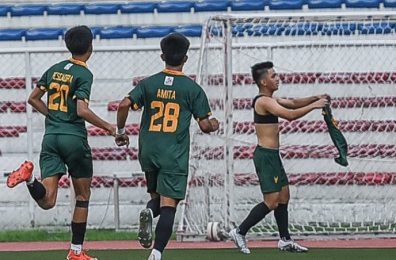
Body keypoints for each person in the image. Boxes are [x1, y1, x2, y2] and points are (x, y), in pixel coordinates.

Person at [6, 25, 116, 260]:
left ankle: (30, 178)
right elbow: (82, 110)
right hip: (73, 139)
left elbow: (33, 99)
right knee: (82, 197)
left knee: (47, 200)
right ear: (90, 47)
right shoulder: (84, 73)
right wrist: (109, 127)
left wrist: (54, 117)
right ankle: (76, 252)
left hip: (51, 139)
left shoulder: (54, 69)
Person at [115, 33, 219, 260]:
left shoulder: (147, 84)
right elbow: (204, 125)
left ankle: (149, 212)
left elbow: (123, 105)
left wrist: (121, 132)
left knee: (157, 200)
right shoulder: (192, 89)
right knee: (170, 205)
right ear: (186, 58)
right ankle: (156, 253)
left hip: (149, 151)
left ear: (162, 56)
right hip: (173, 154)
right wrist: (214, 124)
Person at [229, 61, 329, 254]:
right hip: (266, 156)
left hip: (273, 155)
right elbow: (290, 115)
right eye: (273, 76)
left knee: (284, 196)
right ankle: (240, 232)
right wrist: (316, 106)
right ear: (264, 81)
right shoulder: (263, 101)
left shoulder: (270, 98)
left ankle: (285, 240)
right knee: (272, 201)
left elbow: (291, 103)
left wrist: (314, 98)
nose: (277, 78)